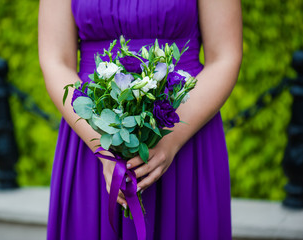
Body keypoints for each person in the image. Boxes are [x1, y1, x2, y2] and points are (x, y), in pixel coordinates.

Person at [38, 0, 242, 239]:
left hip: (184, 133)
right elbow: (55, 61)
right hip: (91, 140)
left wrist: (170, 139)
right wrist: (103, 145)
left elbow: (225, 56)